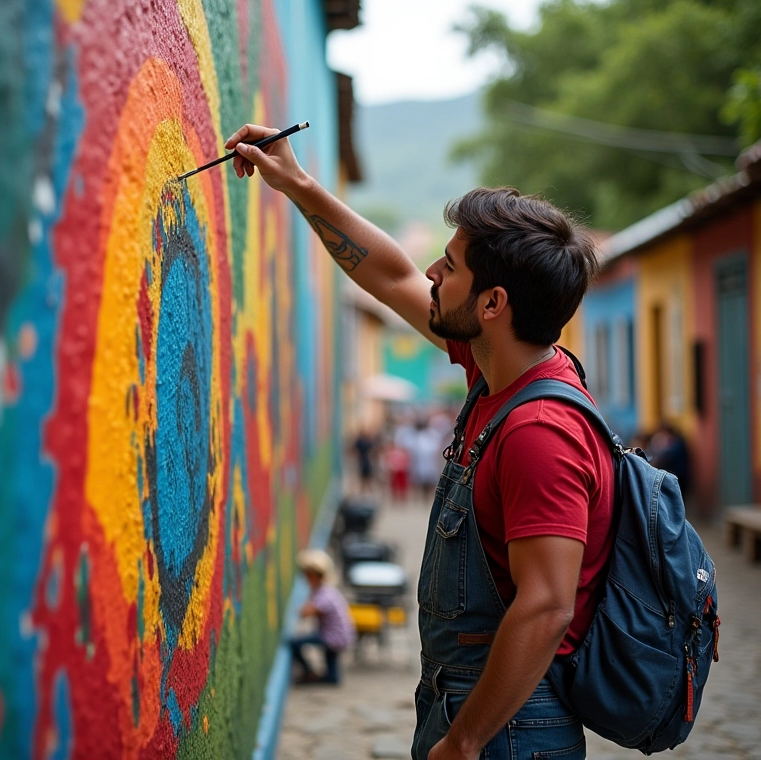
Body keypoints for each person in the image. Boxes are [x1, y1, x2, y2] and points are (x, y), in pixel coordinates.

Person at [225, 125, 615, 759]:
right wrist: (296, 184)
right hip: (468, 704)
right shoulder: (501, 367)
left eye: (451, 266)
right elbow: (392, 275)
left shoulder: (540, 431)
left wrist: (463, 741)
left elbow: (546, 608)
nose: (432, 270)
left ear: (492, 303)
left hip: (507, 727)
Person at [289, 549, 355, 685]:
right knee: (331, 661)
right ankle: (331, 676)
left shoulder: (324, 595)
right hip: (339, 633)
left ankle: (309, 672)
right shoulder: (327, 591)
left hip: (333, 636)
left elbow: (306, 613)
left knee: (294, 643)